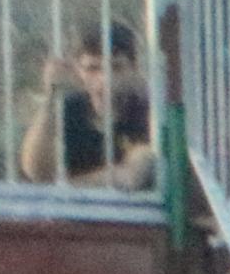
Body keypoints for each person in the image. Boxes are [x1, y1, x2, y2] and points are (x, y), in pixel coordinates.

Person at [18, 20, 153, 190]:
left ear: (134, 69)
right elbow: (36, 172)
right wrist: (52, 98)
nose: (105, 80)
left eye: (116, 67)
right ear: (77, 71)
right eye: (93, 69)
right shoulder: (67, 108)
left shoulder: (146, 111)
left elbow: (131, 177)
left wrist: (60, 187)